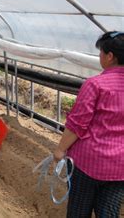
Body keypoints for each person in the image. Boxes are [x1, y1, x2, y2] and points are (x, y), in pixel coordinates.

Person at [53, 31, 124, 217]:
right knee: (109, 213)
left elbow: (77, 124)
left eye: (101, 52)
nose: (99, 56)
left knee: (78, 211)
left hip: (88, 164)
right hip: (119, 167)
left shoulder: (95, 85)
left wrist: (60, 149)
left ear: (110, 56)